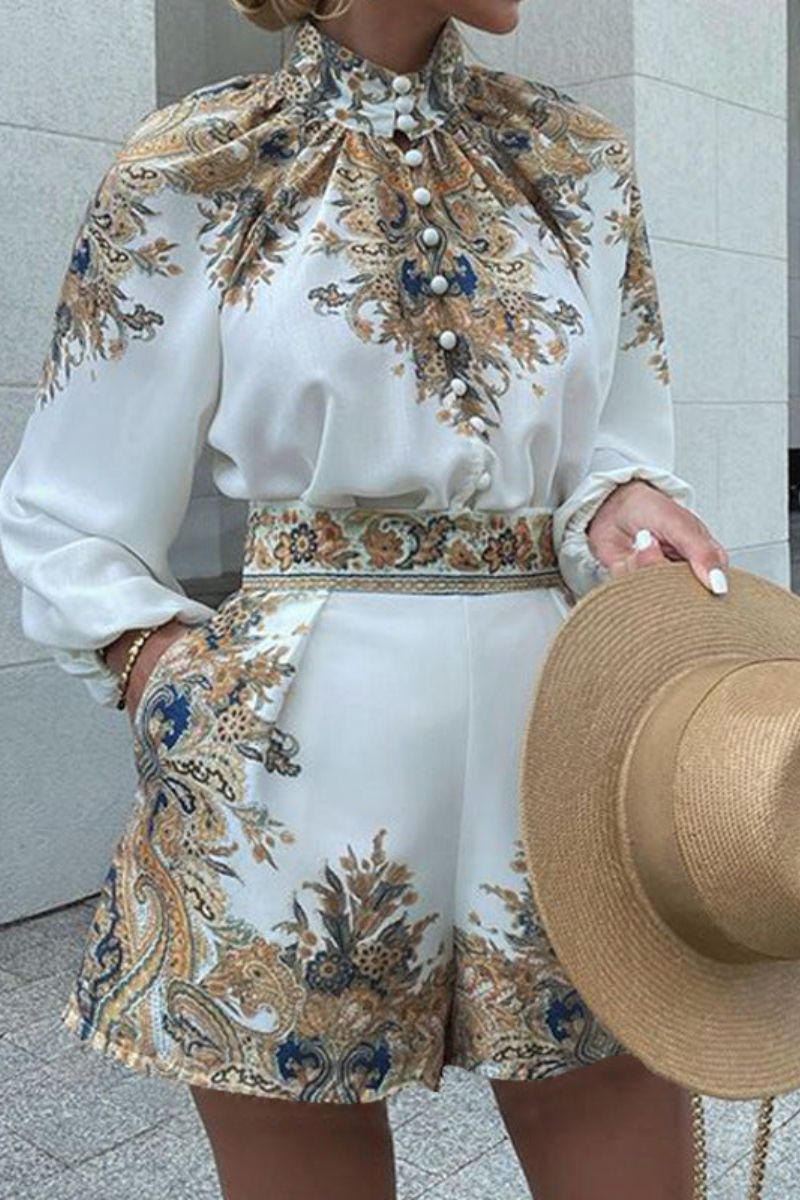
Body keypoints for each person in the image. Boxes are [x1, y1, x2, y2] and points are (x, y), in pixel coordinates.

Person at [0, 1, 730, 1197]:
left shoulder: (575, 161)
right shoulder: (199, 161)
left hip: (555, 733)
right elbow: (70, 503)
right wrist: (166, 681)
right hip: (290, 753)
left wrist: (619, 498)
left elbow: (617, 436)